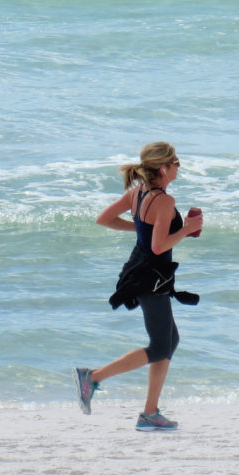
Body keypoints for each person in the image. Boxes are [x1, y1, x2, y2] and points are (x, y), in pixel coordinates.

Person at [74, 142, 204, 431]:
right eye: (175, 162)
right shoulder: (164, 201)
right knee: (160, 345)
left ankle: (149, 412)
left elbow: (104, 219)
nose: (178, 166)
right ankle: (92, 377)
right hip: (151, 275)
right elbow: (159, 247)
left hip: (141, 269)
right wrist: (185, 230)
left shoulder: (138, 193)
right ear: (163, 168)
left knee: (169, 341)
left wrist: (140, 227)